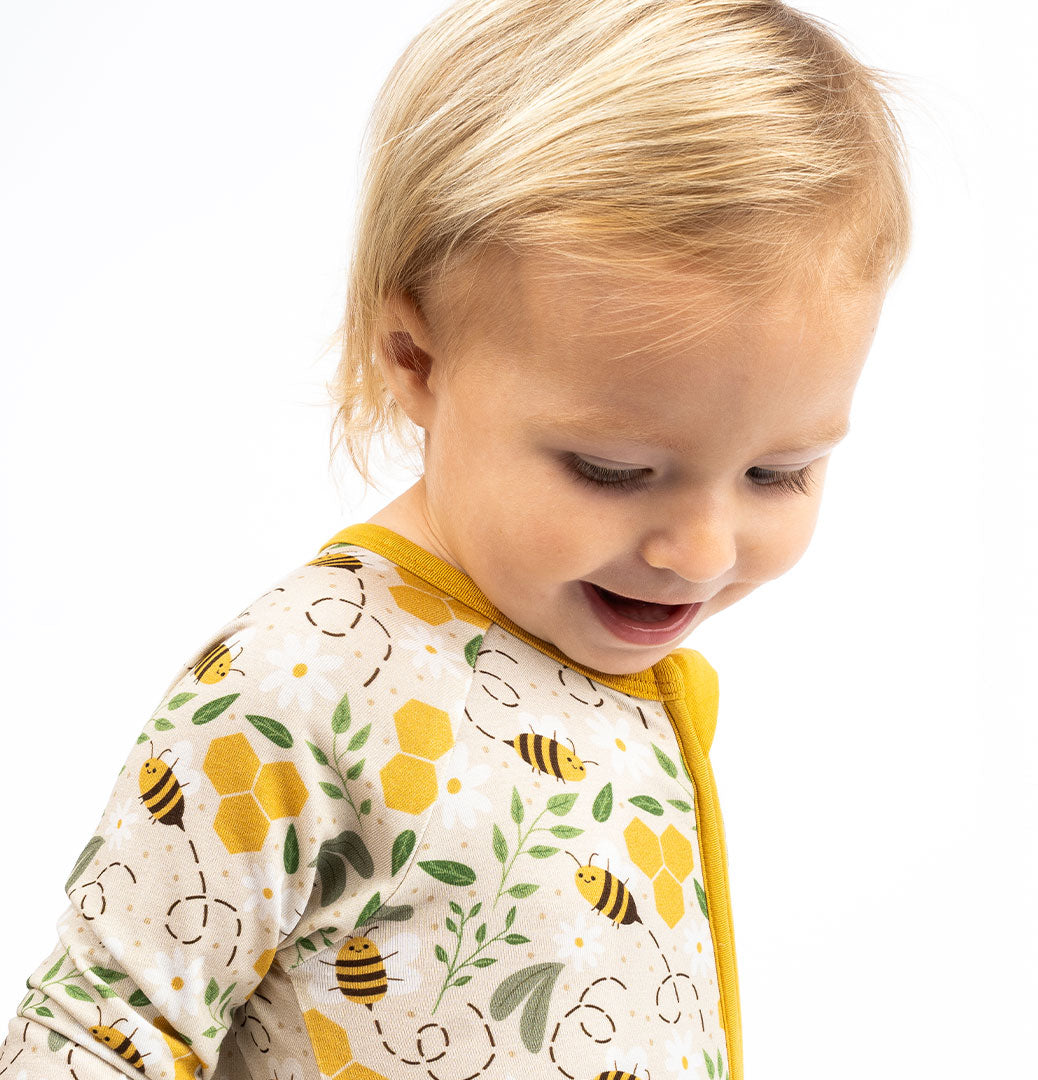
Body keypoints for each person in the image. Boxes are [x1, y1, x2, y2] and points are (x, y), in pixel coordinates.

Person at [0, 1, 912, 1078]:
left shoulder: (632, 685)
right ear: (416, 358)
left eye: (779, 472)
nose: (701, 551)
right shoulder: (298, 686)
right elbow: (97, 1035)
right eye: (611, 470)